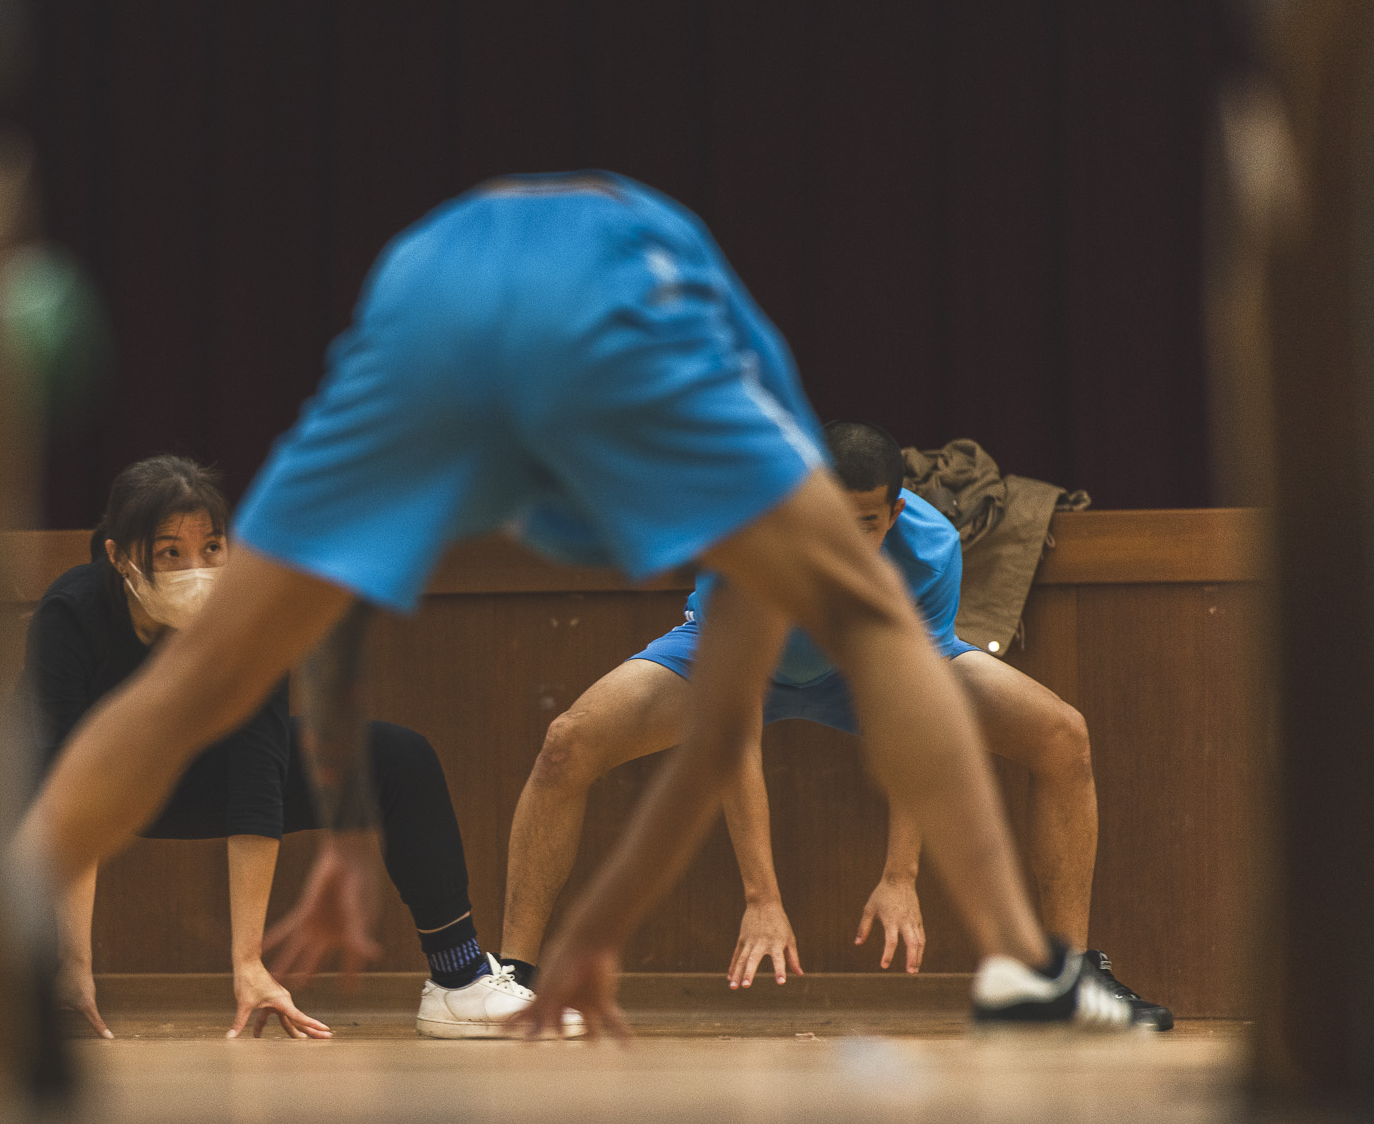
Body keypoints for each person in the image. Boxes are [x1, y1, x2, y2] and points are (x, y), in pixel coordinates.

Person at [14, 171, 1138, 1038]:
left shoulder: (448, 368)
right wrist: (593, 930)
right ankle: (1025, 964)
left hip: (445, 293)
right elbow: (727, 728)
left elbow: (326, 623)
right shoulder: (708, 418)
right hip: (589, 295)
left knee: (205, 670)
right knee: (879, 643)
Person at [496, 420, 1172, 1028]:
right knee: (567, 744)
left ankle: (1064, 976)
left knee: (1061, 735)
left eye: (866, 524)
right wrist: (761, 896)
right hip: (736, 666)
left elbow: (918, 712)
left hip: (866, 675)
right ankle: (513, 977)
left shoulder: (931, 550)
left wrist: (901, 876)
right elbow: (733, 719)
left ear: (895, 512)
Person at [23, 456, 567, 1040]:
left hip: (208, 776)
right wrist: (74, 964)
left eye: (212, 548)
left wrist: (248, 963)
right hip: (93, 787)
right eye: (169, 553)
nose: (196, 569)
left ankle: (458, 981)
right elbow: (62, 786)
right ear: (118, 556)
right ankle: (19, 984)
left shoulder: (249, 615)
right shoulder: (71, 612)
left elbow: (258, 769)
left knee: (398, 757)